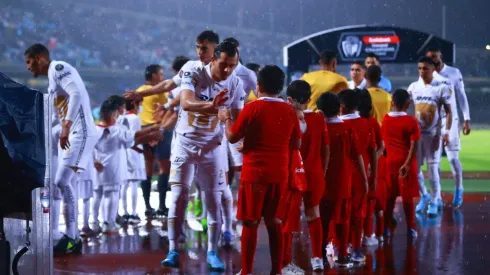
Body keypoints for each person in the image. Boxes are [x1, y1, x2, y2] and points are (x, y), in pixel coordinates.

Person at [160, 41, 245, 271]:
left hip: (213, 147)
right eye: (224, 65)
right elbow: (186, 103)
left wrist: (241, 142)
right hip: (185, 144)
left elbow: (236, 119)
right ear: (213, 59)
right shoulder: (193, 71)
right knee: (179, 197)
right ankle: (173, 249)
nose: (228, 70)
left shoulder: (236, 83)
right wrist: (213, 107)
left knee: (213, 199)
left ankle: (212, 252)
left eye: (233, 65)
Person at [219, 65, 300, 275]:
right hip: (279, 173)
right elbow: (296, 144)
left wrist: (226, 118)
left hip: (254, 173)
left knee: (250, 222)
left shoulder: (252, 108)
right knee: (275, 222)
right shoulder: (289, 110)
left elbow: (232, 137)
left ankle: (246, 271)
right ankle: (276, 271)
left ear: (259, 85)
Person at [25, 43, 99, 254]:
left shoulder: (59, 68)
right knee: (64, 184)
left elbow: (75, 94)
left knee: (61, 182)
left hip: (81, 131)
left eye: (29, 62)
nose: (28, 68)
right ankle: (71, 237)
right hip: (74, 132)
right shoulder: (51, 78)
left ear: (39, 58)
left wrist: (66, 125)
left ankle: (72, 237)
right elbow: (57, 113)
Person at [93, 99, 162, 234]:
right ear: (114, 114)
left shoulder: (95, 129)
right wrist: (152, 129)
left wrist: (94, 161)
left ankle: (95, 223)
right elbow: (134, 136)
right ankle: (109, 223)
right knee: (111, 194)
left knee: (98, 195)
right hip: (112, 167)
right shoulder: (116, 130)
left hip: (97, 167)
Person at [316, 92, 368, 268]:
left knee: (323, 218)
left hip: (322, 181)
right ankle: (343, 253)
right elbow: (357, 155)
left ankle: (321, 253)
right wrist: (364, 178)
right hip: (343, 181)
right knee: (343, 218)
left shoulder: (320, 129)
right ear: (339, 109)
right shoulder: (347, 129)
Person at [285, 80, 330, 272]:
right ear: (310, 100)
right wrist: (323, 171)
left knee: (288, 217)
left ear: (289, 99)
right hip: (314, 173)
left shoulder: (287, 117)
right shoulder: (319, 119)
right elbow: (326, 150)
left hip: (293, 174)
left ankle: (285, 260)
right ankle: (317, 258)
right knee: (314, 214)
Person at [426, 47, 471, 208]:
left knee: (453, 159)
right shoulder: (428, 75)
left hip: (451, 121)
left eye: (434, 56)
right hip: (434, 123)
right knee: (434, 162)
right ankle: (436, 197)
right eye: (429, 58)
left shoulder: (453, 73)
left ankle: (459, 189)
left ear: (440, 56)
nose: (433, 60)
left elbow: (461, 95)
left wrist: (467, 118)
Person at [408, 56, 452, 217]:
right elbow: (405, 104)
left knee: (432, 170)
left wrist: (446, 132)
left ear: (433, 69)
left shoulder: (440, 88)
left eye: (425, 68)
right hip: (417, 136)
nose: (422, 71)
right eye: (419, 68)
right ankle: (424, 195)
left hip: (434, 135)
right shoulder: (413, 87)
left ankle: (434, 201)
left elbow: (449, 112)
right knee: (415, 170)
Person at [338, 89, 377, 262]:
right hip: (361, 178)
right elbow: (373, 152)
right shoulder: (366, 124)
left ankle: (340, 248)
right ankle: (356, 249)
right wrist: (373, 178)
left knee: (340, 214)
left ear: (342, 106)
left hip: (341, 177)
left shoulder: (336, 125)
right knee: (358, 214)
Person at [381, 89, 421, 238]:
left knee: (389, 197)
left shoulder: (385, 119)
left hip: (389, 163)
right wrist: (408, 164)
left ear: (392, 102)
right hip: (405, 163)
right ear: (408, 104)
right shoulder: (411, 121)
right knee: (407, 197)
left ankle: (385, 227)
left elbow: (383, 144)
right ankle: (410, 228)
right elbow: (414, 145)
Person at [134, 64, 170, 219]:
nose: (162, 77)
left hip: (144, 129)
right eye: (160, 74)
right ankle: (162, 206)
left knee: (147, 169)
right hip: (158, 129)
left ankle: (148, 207)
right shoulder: (160, 91)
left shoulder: (139, 91)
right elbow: (167, 109)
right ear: (154, 76)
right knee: (164, 167)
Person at [357, 89, 386, 244]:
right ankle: (367, 236)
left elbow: (379, 147)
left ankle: (359, 238)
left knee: (363, 204)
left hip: (360, 168)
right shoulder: (371, 122)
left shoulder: (360, 122)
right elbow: (381, 147)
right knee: (369, 204)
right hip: (369, 168)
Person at [121, 98, 146, 225]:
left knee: (124, 184)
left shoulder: (121, 118)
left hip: (123, 151)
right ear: (135, 104)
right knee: (134, 183)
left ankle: (124, 213)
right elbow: (136, 136)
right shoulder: (135, 119)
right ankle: (134, 213)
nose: (141, 106)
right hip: (134, 151)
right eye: (140, 103)